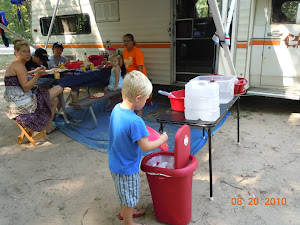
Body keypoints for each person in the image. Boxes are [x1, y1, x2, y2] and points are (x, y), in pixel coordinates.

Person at [109, 70, 168, 225]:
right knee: (129, 196)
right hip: (127, 167)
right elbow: (146, 146)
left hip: (116, 163)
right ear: (138, 98)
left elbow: (127, 133)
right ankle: (128, 221)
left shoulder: (116, 109)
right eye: (146, 100)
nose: (146, 103)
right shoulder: (136, 121)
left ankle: (128, 211)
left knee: (125, 193)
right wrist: (161, 139)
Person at [3, 40, 63, 134]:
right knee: (59, 88)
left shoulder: (15, 64)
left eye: (28, 51)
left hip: (16, 102)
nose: (27, 54)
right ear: (16, 52)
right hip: (24, 105)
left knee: (54, 99)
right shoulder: (19, 65)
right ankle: (49, 124)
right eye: (24, 51)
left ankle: (49, 126)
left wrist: (32, 72)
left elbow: (19, 75)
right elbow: (26, 87)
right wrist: (38, 74)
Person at [122, 34, 147, 117]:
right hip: (129, 75)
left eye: (128, 41)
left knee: (138, 93)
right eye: (124, 41)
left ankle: (140, 111)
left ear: (132, 42)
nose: (126, 43)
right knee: (130, 93)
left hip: (138, 75)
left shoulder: (137, 52)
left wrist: (139, 79)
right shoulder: (124, 51)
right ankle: (130, 108)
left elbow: (140, 66)